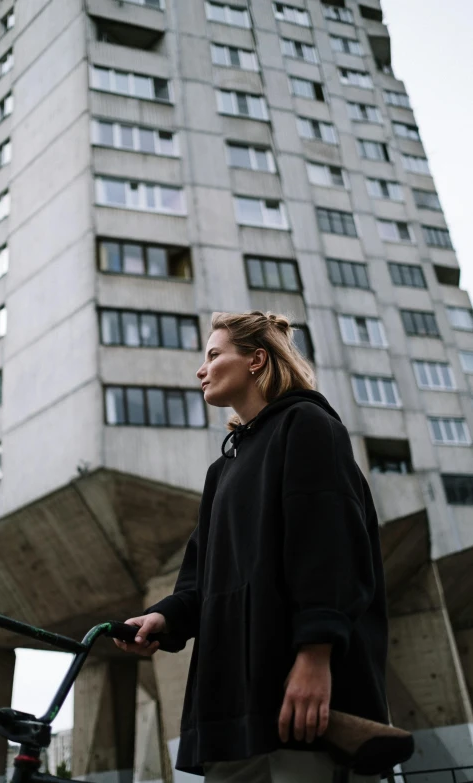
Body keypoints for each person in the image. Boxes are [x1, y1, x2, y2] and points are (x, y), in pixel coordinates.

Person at [115, 310, 389, 783]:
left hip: (301, 700)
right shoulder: (221, 472)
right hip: (231, 709)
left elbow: (330, 551)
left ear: (257, 360)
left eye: (214, 355)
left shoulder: (307, 426)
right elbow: (202, 578)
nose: (201, 369)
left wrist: (314, 657)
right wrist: (167, 617)